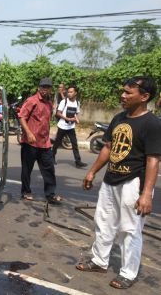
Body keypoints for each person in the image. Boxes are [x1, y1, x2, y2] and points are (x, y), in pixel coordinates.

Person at [76, 76, 161, 289]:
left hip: (133, 183)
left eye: (128, 93)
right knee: (103, 221)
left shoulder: (152, 124)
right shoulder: (119, 118)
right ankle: (99, 261)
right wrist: (92, 171)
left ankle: (128, 273)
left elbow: (153, 160)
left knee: (129, 230)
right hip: (111, 179)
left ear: (144, 96)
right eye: (123, 91)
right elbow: (108, 147)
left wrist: (146, 194)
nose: (122, 96)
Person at [19, 77, 62, 204]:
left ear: (50, 90)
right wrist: (28, 133)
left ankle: (50, 194)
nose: (45, 90)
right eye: (43, 87)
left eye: (47, 88)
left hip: (44, 143)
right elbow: (22, 116)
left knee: (49, 169)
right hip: (30, 142)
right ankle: (26, 191)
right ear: (39, 88)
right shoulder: (32, 101)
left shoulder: (49, 104)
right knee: (27, 169)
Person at [52, 84, 88, 168]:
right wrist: (67, 119)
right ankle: (52, 156)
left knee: (75, 144)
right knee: (57, 143)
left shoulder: (77, 103)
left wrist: (76, 119)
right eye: (68, 92)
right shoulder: (64, 101)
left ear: (75, 93)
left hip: (71, 127)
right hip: (62, 126)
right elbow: (58, 113)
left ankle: (78, 161)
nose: (69, 93)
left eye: (71, 92)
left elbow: (76, 113)